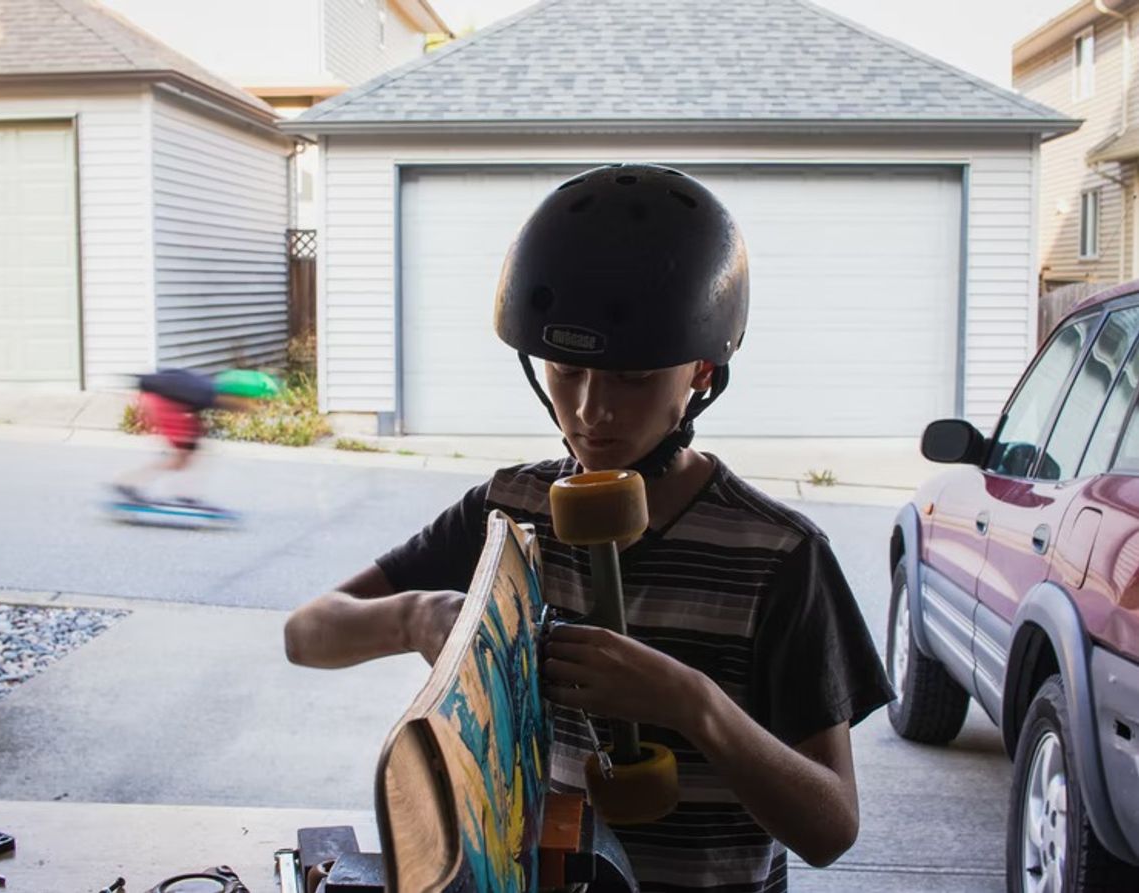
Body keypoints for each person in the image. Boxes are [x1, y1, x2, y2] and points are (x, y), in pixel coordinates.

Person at [283, 164, 894, 892]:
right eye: (565, 371)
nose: (591, 411)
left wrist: (692, 703)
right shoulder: (510, 512)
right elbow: (307, 632)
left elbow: (832, 826)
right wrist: (418, 617)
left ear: (701, 370)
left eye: (632, 378)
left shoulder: (780, 556)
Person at [112, 367, 275, 508]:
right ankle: (128, 484)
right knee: (182, 456)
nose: (252, 407)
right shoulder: (203, 393)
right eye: (252, 401)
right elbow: (166, 384)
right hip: (160, 402)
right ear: (237, 395)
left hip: (166, 401)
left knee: (192, 451)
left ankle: (184, 494)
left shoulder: (210, 393)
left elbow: (173, 376)